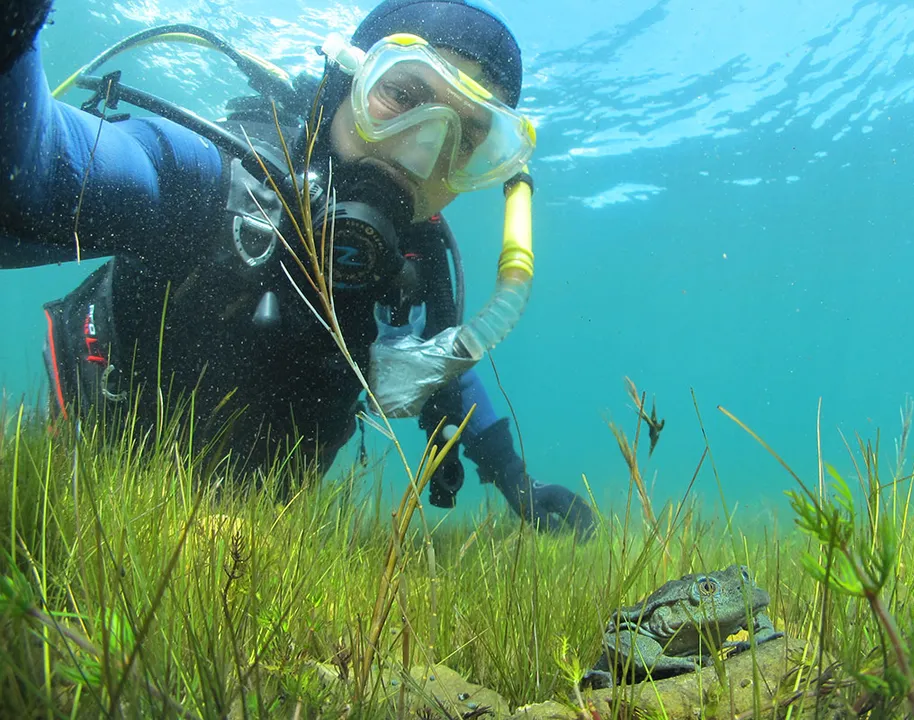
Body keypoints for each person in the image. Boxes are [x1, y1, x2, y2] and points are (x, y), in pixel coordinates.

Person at [0, 0, 596, 537]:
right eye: (401, 97)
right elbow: (37, 174)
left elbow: (446, 365)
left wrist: (516, 480)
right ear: (345, 84)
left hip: (256, 543)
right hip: (83, 476)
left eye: (465, 139)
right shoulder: (214, 183)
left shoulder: (415, 271)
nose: (421, 152)